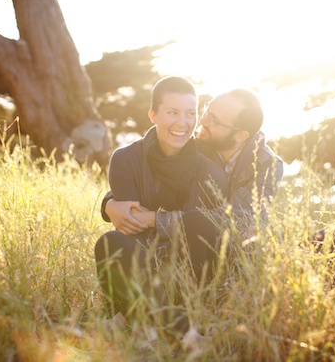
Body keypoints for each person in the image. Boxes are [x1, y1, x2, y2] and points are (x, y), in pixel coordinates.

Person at [94, 76, 228, 327]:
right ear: (153, 115)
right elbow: (131, 228)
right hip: (141, 267)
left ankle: (146, 321)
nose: (182, 123)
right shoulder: (126, 159)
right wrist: (110, 205)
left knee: (200, 223)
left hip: (190, 276)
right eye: (172, 113)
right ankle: (174, 326)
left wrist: (159, 221)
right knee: (110, 242)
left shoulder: (210, 170)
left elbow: (204, 233)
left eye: (190, 113)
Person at [103, 88, 284, 237]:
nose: (202, 121)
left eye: (213, 120)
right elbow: (147, 174)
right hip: (183, 244)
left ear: (240, 136)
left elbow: (234, 221)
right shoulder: (197, 143)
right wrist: (109, 204)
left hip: (230, 253)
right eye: (206, 110)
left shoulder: (266, 166)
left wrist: (154, 219)